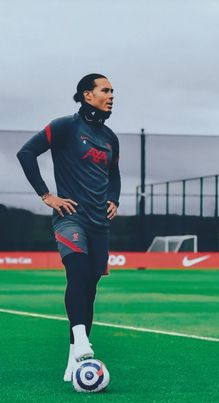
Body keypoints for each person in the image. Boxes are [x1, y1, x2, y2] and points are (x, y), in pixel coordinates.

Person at [17, 74, 121, 381]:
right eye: (105, 90)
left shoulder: (110, 138)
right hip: (69, 216)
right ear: (88, 95)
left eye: (113, 90)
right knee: (76, 273)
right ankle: (83, 342)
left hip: (99, 224)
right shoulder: (65, 126)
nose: (112, 95)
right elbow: (26, 153)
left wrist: (114, 198)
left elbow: (114, 174)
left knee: (89, 289)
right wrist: (46, 195)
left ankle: (72, 358)